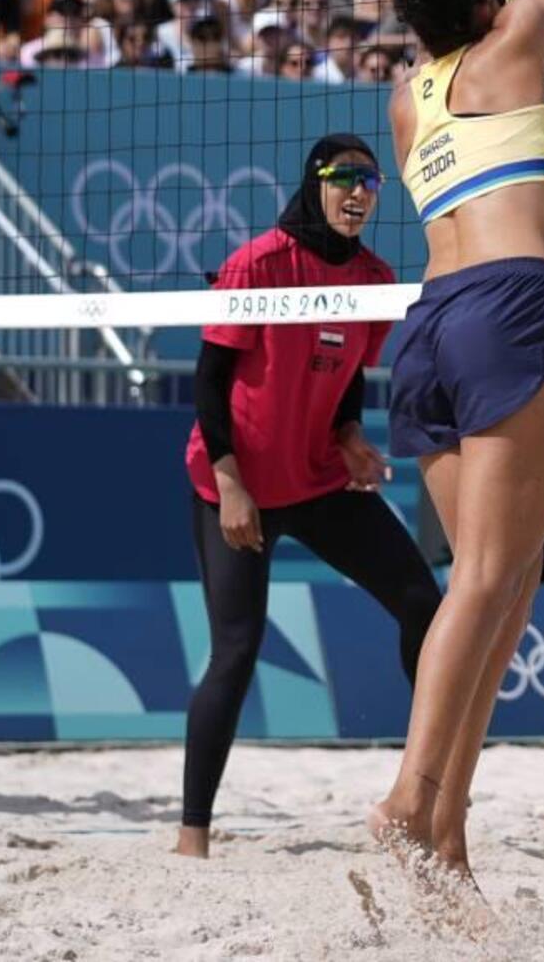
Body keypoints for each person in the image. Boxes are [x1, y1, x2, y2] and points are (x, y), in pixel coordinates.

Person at [343, 0, 544, 916]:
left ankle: (445, 833)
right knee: (489, 579)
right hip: (505, 306)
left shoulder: (409, 101)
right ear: (485, 14)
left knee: (504, 583)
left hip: (427, 325)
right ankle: (404, 797)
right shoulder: (505, 53)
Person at [177, 133, 439, 859]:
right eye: (344, 177)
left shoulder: (374, 275)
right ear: (314, 183)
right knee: (235, 649)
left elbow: (347, 371)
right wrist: (231, 484)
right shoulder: (260, 262)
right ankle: (192, 834)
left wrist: (352, 433)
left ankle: (426, 783)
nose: (358, 192)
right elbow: (208, 381)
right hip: (237, 483)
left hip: (319, 476)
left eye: (371, 181)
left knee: (425, 601)